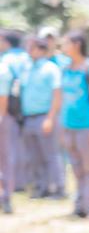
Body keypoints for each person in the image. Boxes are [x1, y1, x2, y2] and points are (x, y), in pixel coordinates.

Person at [59, 30, 89, 219]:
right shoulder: (67, 68)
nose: (62, 47)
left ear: (77, 45)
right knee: (77, 168)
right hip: (68, 126)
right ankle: (81, 205)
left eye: (66, 43)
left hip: (86, 126)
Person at [18, 36, 63, 200]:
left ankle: (58, 188)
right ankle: (40, 187)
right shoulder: (27, 68)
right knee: (33, 156)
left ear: (42, 50)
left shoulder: (50, 69)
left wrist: (50, 118)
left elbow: (57, 95)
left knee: (51, 155)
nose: (29, 50)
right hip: (29, 117)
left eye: (33, 47)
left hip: (45, 116)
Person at [0, 30, 28, 214]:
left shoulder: (5, 65)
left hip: (4, 117)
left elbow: (3, 96)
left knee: (5, 158)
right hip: (12, 115)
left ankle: (6, 197)